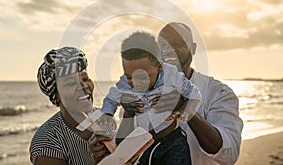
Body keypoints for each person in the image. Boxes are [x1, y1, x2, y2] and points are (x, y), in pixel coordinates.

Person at [101, 31, 202, 165]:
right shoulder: (124, 83)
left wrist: (184, 109)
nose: (136, 82)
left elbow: (194, 94)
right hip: (143, 144)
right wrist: (107, 114)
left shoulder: (171, 75)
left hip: (173, 142)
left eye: (142, 76)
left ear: (159, 67)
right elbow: (111, 98)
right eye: (130, 77)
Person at [155, 22, 243, 164]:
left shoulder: (218, 92)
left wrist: (188, 110)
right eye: (162, 45)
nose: (169, 50)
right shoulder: (142, 92)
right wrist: (108, 148)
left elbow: (229, 154)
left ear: (193, 48)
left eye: (178, 44)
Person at [30, 46, 113, 165]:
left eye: (85, 78)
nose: (83, 86)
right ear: (56, 94)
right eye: (70, 83)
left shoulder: (106, 119)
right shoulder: (47, 142)